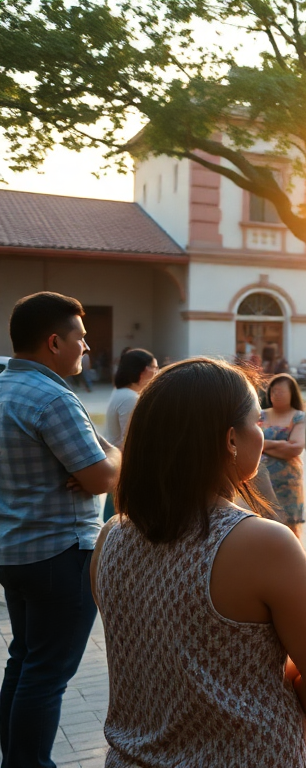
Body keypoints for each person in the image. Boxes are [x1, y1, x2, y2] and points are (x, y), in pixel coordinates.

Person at [92, 358, 306, 767]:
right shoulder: (262, 543)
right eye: (258, 422)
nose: (263, 434)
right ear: (231, 439)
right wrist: (261, 706)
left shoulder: (111, 537)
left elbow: (160, 654)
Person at [0, 292, 121, 768]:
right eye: (81, 339)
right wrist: (112, 455)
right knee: (46, 673)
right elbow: (102, 475)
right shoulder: (53, 398)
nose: (86, 349)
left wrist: (99, 458)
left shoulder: (5, 388)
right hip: (61, 552)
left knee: (24, 660)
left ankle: (17, 760)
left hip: (14, 551)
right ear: (54, 342)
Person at [101, 348, 157, 521]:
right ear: (143, 370)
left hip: (119, 465)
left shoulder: (122, 393)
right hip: (125, 468)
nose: (157, 372)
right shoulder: (129, 397)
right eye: (155, 367)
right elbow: (130, 440)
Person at [260, 373, 306, 537]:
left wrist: (263, 445)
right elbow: (247, 444)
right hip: (259, 481)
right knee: (262, 528)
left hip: (287, 484)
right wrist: (282, 445)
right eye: (273, 391)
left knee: (289, 531)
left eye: (281, 391)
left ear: (292, 393)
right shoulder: (259, 415)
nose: (276, 395)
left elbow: (295, 447)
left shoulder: (299, 416)